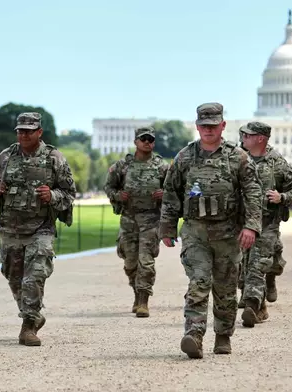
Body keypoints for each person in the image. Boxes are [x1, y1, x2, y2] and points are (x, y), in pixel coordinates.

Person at [160, 102, 262, 359]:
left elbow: (253, 191)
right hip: (196, 231)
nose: (208, 130)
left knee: (226, 288)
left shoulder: (238, 157)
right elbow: (171, 193)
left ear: (223, 126)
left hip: (228, 232)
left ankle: (223, 335)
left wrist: (251, 226)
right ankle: (193, 334)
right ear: (197, 126)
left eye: (213, 126)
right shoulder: (184, 157)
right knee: (200, 280)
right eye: (204, 126)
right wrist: (167, 227)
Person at [0, 112, 76, 346]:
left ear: (39, 132)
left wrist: (53, 195)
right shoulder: (5, 157)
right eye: (20, 130)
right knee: (13, 276)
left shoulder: (54, 158)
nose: (23, 134)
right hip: (10, 228)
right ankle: (34, 315)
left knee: (34, 277)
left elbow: (69, 194)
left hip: (41, 227)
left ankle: (28, 326)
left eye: (28, 130)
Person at [236, 121, 292, 327]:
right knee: (241, 267)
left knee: (257, 265)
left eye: (247, 135)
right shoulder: (238, 159)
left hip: (266, 223)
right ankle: (260, 305)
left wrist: (281, 197)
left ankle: (252, 306)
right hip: (241, 222)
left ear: (260, 138)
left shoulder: (277, 163)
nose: (243, 138)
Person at [103, 126, 169, 317]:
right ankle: (136, 291)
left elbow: (175, 191)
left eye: (150, 139)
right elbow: (109, 187)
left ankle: (143, 300)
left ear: (153, 143)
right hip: (129, 219)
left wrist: (164, 194)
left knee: (146, 261)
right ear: (136, 142)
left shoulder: (162, 167)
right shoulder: (122, 166)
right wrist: (118, 195)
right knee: (130, 262)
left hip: (151, 219)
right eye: (143, 139)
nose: (147, 142)